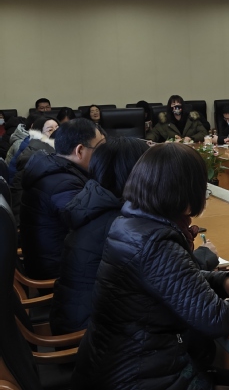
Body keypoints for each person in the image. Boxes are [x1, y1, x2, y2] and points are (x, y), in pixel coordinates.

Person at [72, 143, 229, 389]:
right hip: (137, 377)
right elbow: (214, 318)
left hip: (119, 366)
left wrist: (224, 282)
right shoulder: (155, 241)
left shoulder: (131, 222)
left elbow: (172, 278)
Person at [50, 137, 150, 334]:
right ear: (137, 173)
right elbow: (163, 281)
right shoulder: (120, 223)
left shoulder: (93, 202)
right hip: (94, 335)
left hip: (78, 319)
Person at [20, 118, 105, 280]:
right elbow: (90, 228)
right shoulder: (64, 183)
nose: (104, 154)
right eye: (100, 148)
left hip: (49, 261)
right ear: (80, 150)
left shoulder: (54, 168)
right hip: (58, 273)